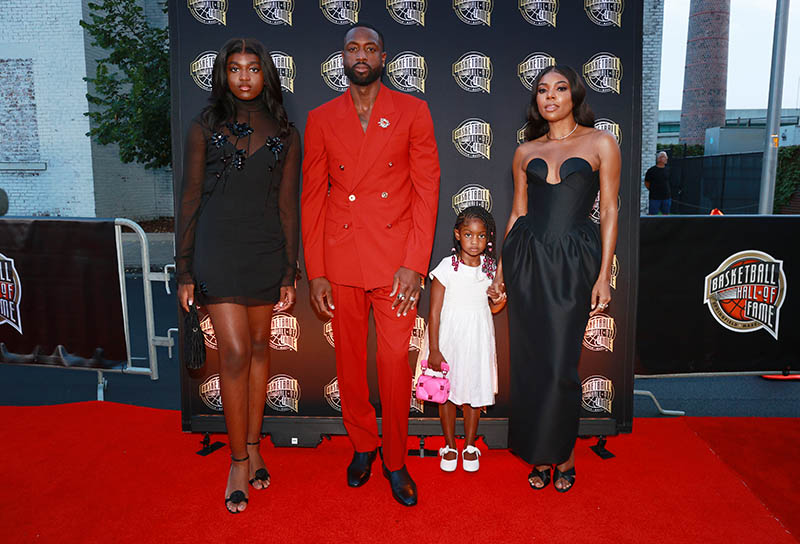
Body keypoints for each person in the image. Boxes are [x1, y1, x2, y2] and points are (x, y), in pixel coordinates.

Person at [301, 23, 440, 506]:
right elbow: (313, 197)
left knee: (392, 363)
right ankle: (363, 445)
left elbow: (427, 193)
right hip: (340, 257)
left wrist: (414, 264)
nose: (361, 55)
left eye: (370, 48)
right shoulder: (321, 118)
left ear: (385, 57)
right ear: (342, 57)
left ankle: (396, 458)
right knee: (350, 361)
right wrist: (315, 269)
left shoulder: (413, 111)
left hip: (395, 261)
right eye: (352, 48)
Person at [176, 38, 301, 514]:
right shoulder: (204, 126)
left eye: (252, 68)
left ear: (265, 75)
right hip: (217, 249)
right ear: (223, 75)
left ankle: (255, 443)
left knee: (260, 347)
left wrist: (289, 269)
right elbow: (189, 198)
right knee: (232, 351)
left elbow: (288, 205)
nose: (244, 77)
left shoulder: (286, 132)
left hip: (266, 250)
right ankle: (236, 460)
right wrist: (185, 268)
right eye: (234, 68)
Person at [489, 65, 620, 493]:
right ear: (537, 101)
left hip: (573, 262)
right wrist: (501, 274)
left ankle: (563, 453)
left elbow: (611, 211)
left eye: (560, 89)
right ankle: (539, 454)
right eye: (543, 90)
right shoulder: (525, 152)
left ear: (574, 96)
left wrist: (603, 274)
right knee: (530, 362)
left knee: (562, 363)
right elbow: (517, 213)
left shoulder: (601, 142)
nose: (551, 96)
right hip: (527, 258)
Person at [419, 206, 505, 473]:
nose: (474, 241)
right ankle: (449, 445)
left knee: (474, 392)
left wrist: (497, 297)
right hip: (448, 337)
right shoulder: (447, 267)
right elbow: (434, 312)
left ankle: (469, 446)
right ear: (458, 234)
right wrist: (434, 349)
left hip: (478, 336)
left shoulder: (491, 269)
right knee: (447, 393)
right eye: (468, 234)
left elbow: (495, 308)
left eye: (480, 236)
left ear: (488, 238)